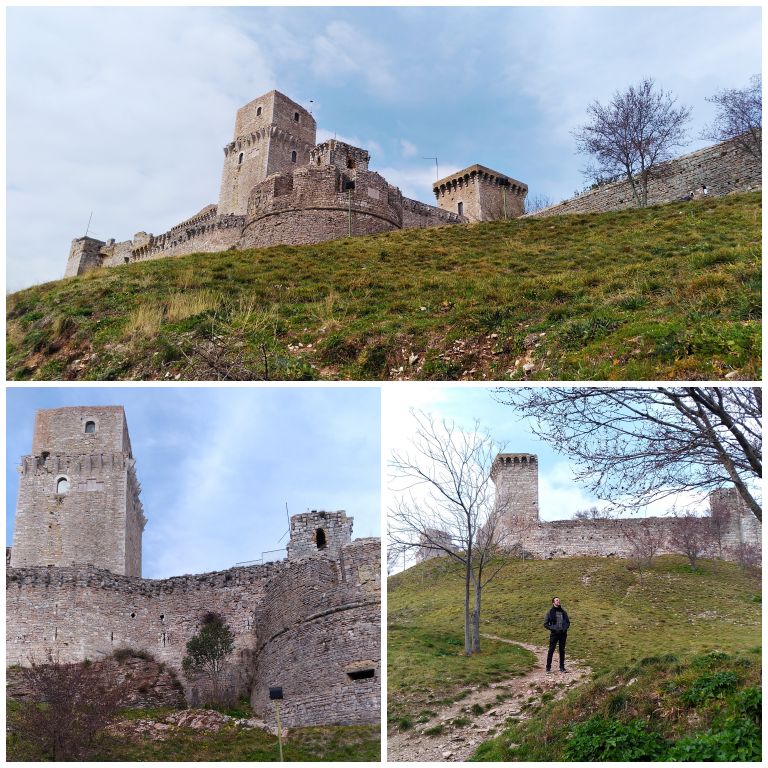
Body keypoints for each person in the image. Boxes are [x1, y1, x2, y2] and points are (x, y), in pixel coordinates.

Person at [544, 596, 570, 672]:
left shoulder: (563, 612)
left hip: (563, 634)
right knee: (551, 650)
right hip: (554, 634)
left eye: (559, 600)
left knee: (562, 650)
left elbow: (568, 622)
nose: (558, 601)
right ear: (553, 602)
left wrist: (564, 629)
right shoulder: (550, 612)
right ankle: (548, 668)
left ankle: (562, 667)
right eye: (557, 600)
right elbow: (545, 624)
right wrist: (553, 629)